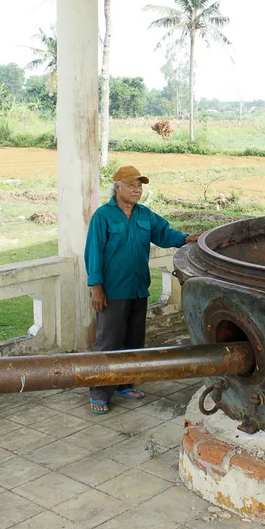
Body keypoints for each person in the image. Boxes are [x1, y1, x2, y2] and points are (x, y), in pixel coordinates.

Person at [84, 165, 201, 414]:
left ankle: (125, 383)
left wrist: (186, 238)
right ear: (118, 188)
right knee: (108, 342)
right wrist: (96, 288)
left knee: (133, 341)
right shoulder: (103, 216)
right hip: (113, 291)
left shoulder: (144, 215)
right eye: (132, 186)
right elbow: (93, 253)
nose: (137, 190)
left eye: (140, 186)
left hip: (138, 288)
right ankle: (99, 391)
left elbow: (164, 233)